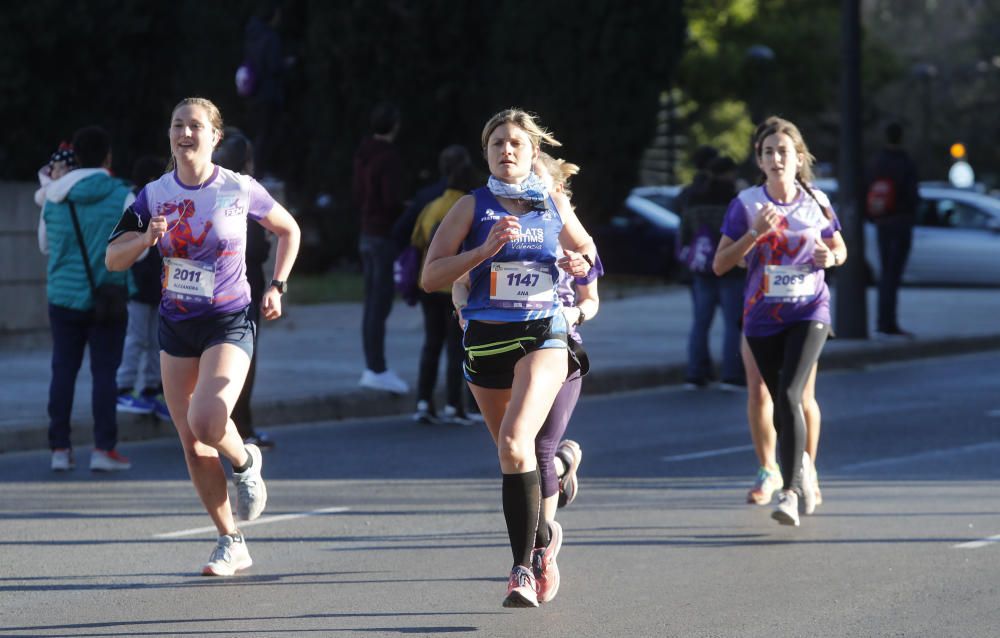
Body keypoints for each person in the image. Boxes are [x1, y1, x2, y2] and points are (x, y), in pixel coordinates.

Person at [106, 97, 300, 575]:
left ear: (215, 136)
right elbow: (114, 257)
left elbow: (288, 230)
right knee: (192, 442)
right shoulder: (152, 195)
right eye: (177, 125)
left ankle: (245, 460)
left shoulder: (239, 188)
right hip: (176, 322)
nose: (185, 134)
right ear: (169, 135)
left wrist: (277, 285)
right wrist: (146, 239)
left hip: (229, 318)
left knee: (208, 419)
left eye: (195, 126)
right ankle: (229, 540)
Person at [421, 109, 596, 607]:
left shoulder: (552, 204)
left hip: (543, 335)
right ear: (487, 153)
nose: (507, 150)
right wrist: (481, 252)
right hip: (484, 343)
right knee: (510, 455)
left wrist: (578, 263)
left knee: (520, 442)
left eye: (516, 142)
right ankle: (543, 542)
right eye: (497, 143)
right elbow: (431, 277)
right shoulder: (470, 208)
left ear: (532, 152)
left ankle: (522, 568)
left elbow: (589, 255)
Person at [713, 116, 847, 527]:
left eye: (783, 151)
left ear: (798, 157)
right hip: (762, 317)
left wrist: (832, 257)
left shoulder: (818, 201)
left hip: (810, 310)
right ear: (759, 158)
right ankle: (792, 467)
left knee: (791, 394)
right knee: (775, 400)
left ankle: (791, 488)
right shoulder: (747, 204)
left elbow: (838, 247)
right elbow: (720, 265)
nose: (776, 158)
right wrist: (753, 234)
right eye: (768, 151)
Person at [41, 126, 133, 472]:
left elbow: (45, 245)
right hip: (107, 298)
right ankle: (103, 449)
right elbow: (135, 253)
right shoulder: (123, 196)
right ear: (107, 157)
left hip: (62, 298)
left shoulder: (53, 197)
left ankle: (60, 450)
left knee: (62, 370)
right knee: (104, 374)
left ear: (75, 158)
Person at [213, 127, 276, 450]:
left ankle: (215, 426)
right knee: (240, 360)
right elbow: (260, 247)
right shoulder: (244, 192)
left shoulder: (204, 190)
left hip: (207, 288)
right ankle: (241, 427)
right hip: (242, 287)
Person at [410, 152, 479, 425]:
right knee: (456, 347)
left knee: (431, 344)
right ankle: (454, 404)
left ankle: (423, 402)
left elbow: (416, 239)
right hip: (456, 286)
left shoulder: (433, 207)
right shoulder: (469, 210)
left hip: (429, 285)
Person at [354, 101, 409, 394]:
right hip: (382, 234)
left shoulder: (363, 152)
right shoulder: (388, 157)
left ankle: (372, 365)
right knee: (380, 303)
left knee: (371, 303)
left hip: (366, 231)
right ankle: (376, 367)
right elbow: (390, 199)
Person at [678, 155, 744, 390]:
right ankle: (732, 374)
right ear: (728, 173)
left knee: (700, 323)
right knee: (732, 324)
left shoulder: (694, 197)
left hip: (702, 269)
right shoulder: (734, 199)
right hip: (732, 268)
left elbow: (684, 234)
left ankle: (695, 374)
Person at [115, 155, 171, 422]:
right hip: (139, 283)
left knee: (155, 339)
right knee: (137, 337)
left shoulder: (162, 201)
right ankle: (124, 386)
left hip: (158, 283)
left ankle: (152, 388)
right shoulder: (136, 202)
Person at [743, 340, 822, 506]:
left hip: (801, 317)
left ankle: (808, 471)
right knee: (759, 391)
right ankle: (769, 470)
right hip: (759, 316)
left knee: (803, 395)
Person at [866, 121, 919, 339]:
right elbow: (912, 194)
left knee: (885, 272)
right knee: (893, 274)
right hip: (900, 221)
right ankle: (889, 322)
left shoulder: (877, 161)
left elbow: (865, 188)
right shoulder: (905, 162)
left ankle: (883, 321)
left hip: (882, 222)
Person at [392, 145, 472, 254]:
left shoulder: (425, 196)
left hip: (429, 265)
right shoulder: (475, 199)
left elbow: (400, 230)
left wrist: (414, 257)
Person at [242, 1, 288, 179]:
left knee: (258, 133)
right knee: (267, 134)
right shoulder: (271, 37)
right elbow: (274, 66)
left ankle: (254, 168)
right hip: (269, 92)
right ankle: (260, 170)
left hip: (254, 92)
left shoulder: (252, 36)